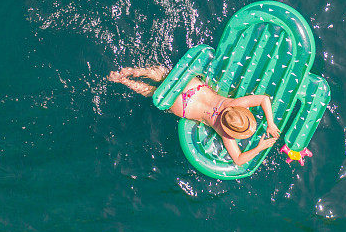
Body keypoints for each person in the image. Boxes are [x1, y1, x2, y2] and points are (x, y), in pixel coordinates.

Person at [107, 66, 279, 166]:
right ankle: (123, 81)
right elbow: (239, 160)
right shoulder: (225, 133)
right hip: (184, 107)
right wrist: (259, 147)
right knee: (152, 91)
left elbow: (264, 99)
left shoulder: (234, 105)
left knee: (163, 75)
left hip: (193, 88)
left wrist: (270, 122)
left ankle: (130, 71)